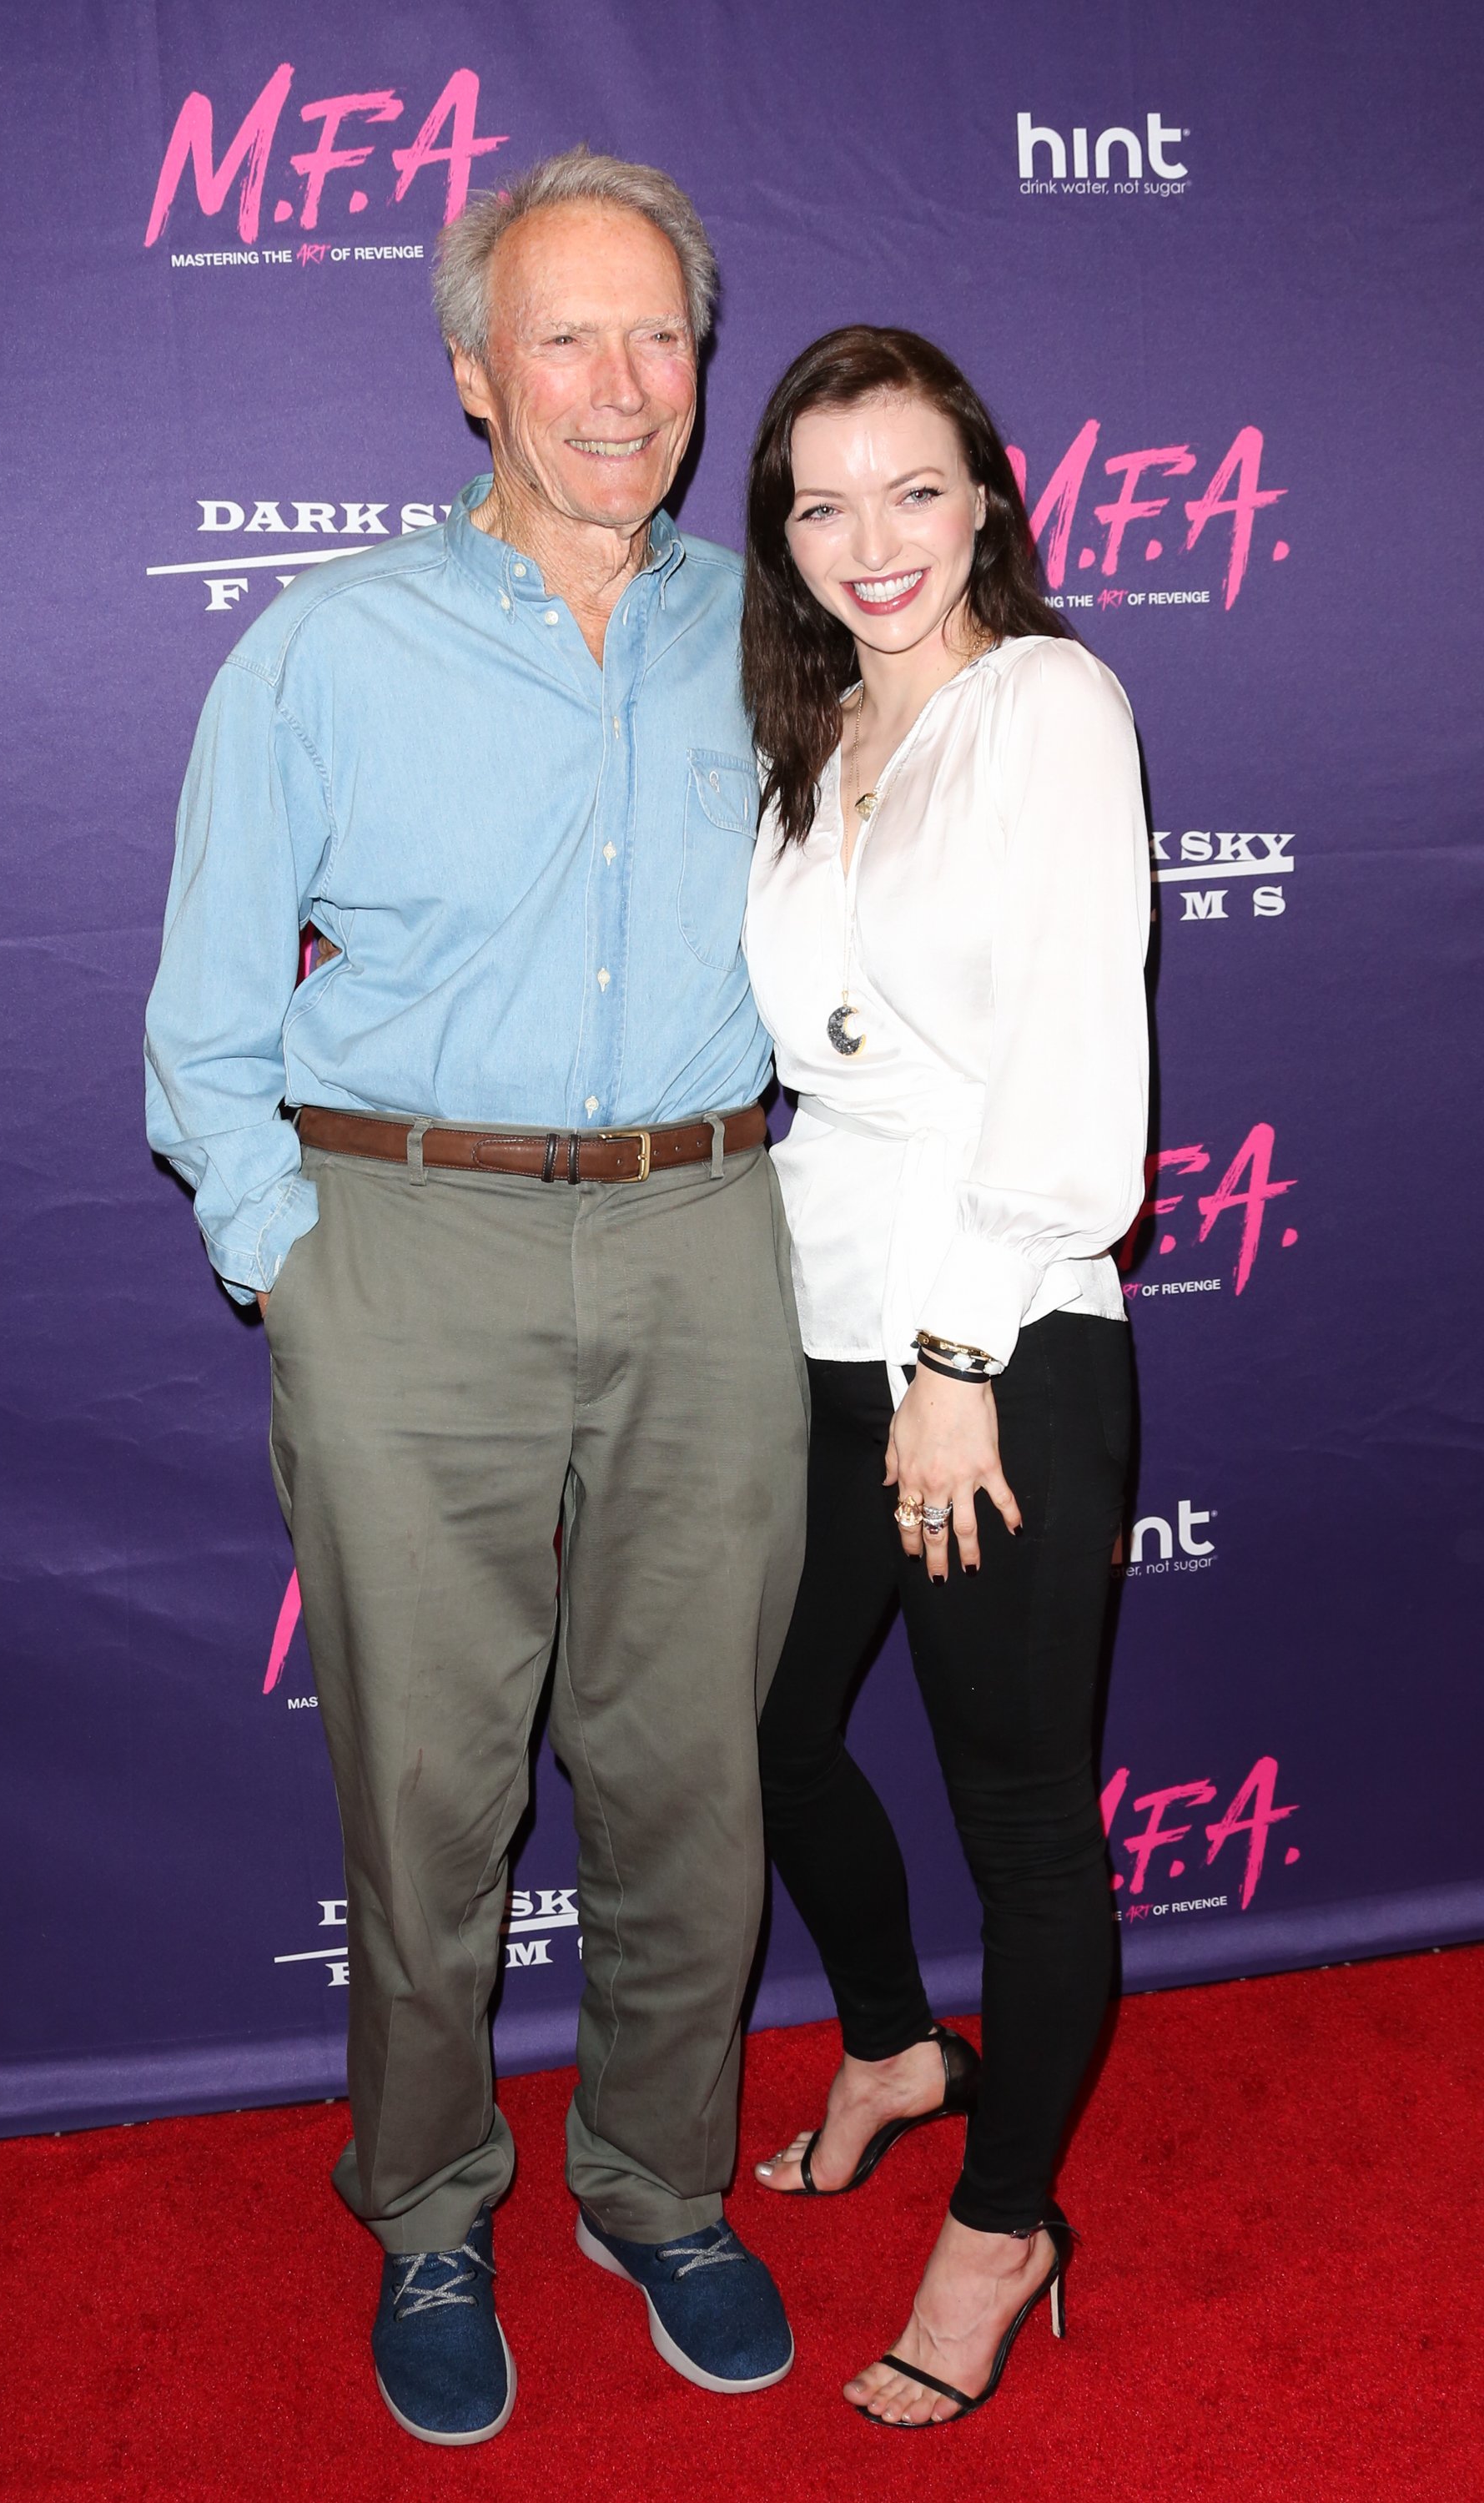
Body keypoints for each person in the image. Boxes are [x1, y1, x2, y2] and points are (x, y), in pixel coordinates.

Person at [143, 148, 807, 2448]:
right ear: (469, 372)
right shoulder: (324, 646)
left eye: (659, 336)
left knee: (686, 1779)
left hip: (719, 1239)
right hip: (405, 1254)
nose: (624, 385)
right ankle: (428, 2209)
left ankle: (660, 2185)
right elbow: (203, 1020)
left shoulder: (781, 631)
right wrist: (294, 1273)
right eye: (566, 336)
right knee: (426, 1798)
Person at [739, 325, 1150, 2429]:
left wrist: (958, 1359)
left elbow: (1075, 1057)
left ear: (988, 491)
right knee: (766, 1737)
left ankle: (1001, 2229)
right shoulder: (806, 739)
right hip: (818, 1333)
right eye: (822, 502)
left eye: (912, 490)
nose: (870, 541)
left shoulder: (1048, 707)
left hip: (997, 1350)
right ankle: (897, 2042)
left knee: (1020, 1822)